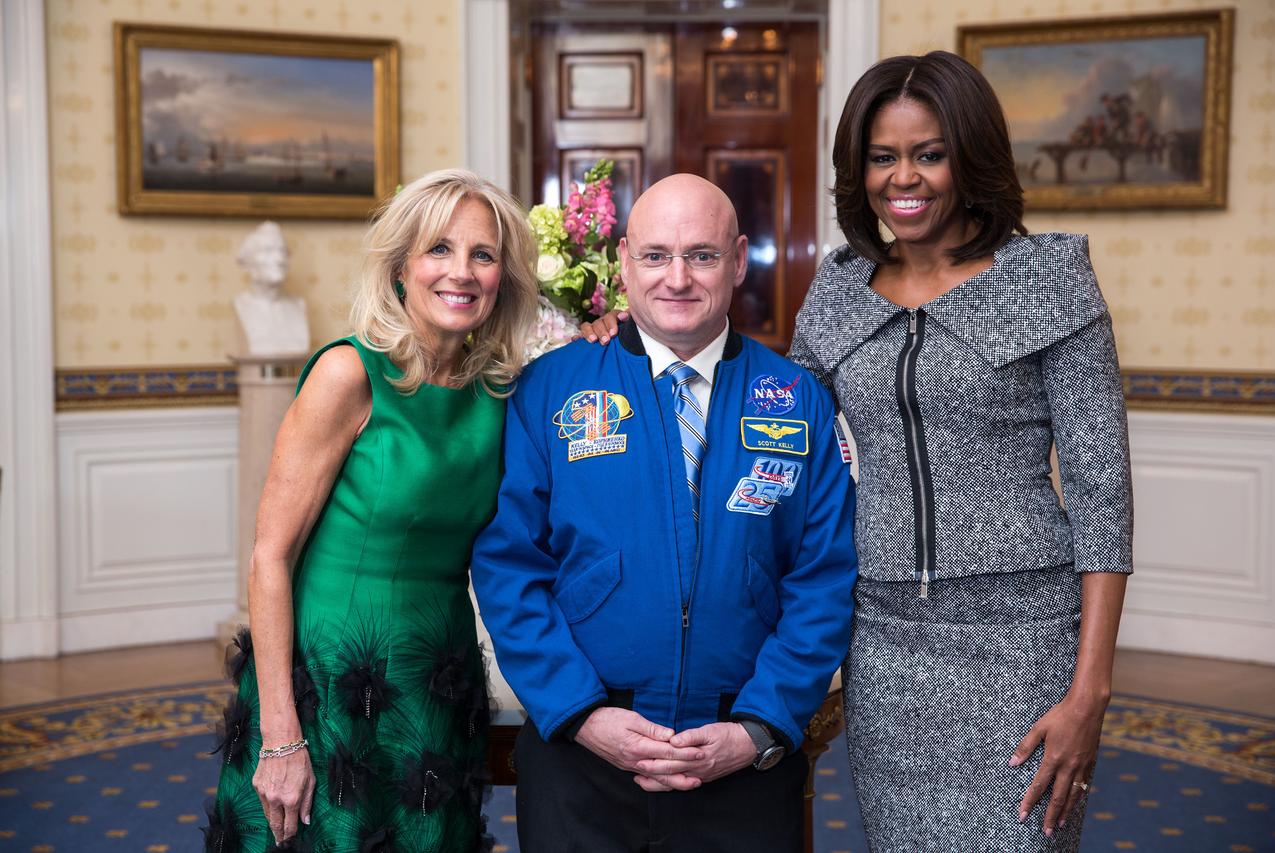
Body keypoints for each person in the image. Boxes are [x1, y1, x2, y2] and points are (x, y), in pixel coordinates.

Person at [790, 52, 1133, 850]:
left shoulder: (1045, 281)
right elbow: (775, 426)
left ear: (969, 155)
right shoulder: (838, 290)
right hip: (881, 642)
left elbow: (1101, 491)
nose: (903, 177)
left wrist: (1091, 691)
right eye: (882, 156)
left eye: (928, 153)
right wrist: (623, 338)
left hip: (1022, 642)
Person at [471, 173, 857, 853]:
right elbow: (509, 566)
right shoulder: (551, 389)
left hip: (741, 758)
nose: (676, 278)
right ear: (623, 261)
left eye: (702, 255)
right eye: (655, 255)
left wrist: (757, 727)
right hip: (581, 754)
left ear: (738, 259)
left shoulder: (796, 398)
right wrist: (582, 713)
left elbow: (823, 578)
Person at [206, 169, 538, 852]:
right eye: (439, 249)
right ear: (400, 269)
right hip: (329, 682)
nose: (462, 271)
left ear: (504, 275)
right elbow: (270, 557)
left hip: (434, 676)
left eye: (483, 254)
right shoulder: (348, 375)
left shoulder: (503, 394)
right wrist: (279, 734)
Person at [233, 221, 311, 357]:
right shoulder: (240, 305)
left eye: (283, 251)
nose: (279, 259)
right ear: (248, 262)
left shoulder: (299, 305)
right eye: (268, 250)